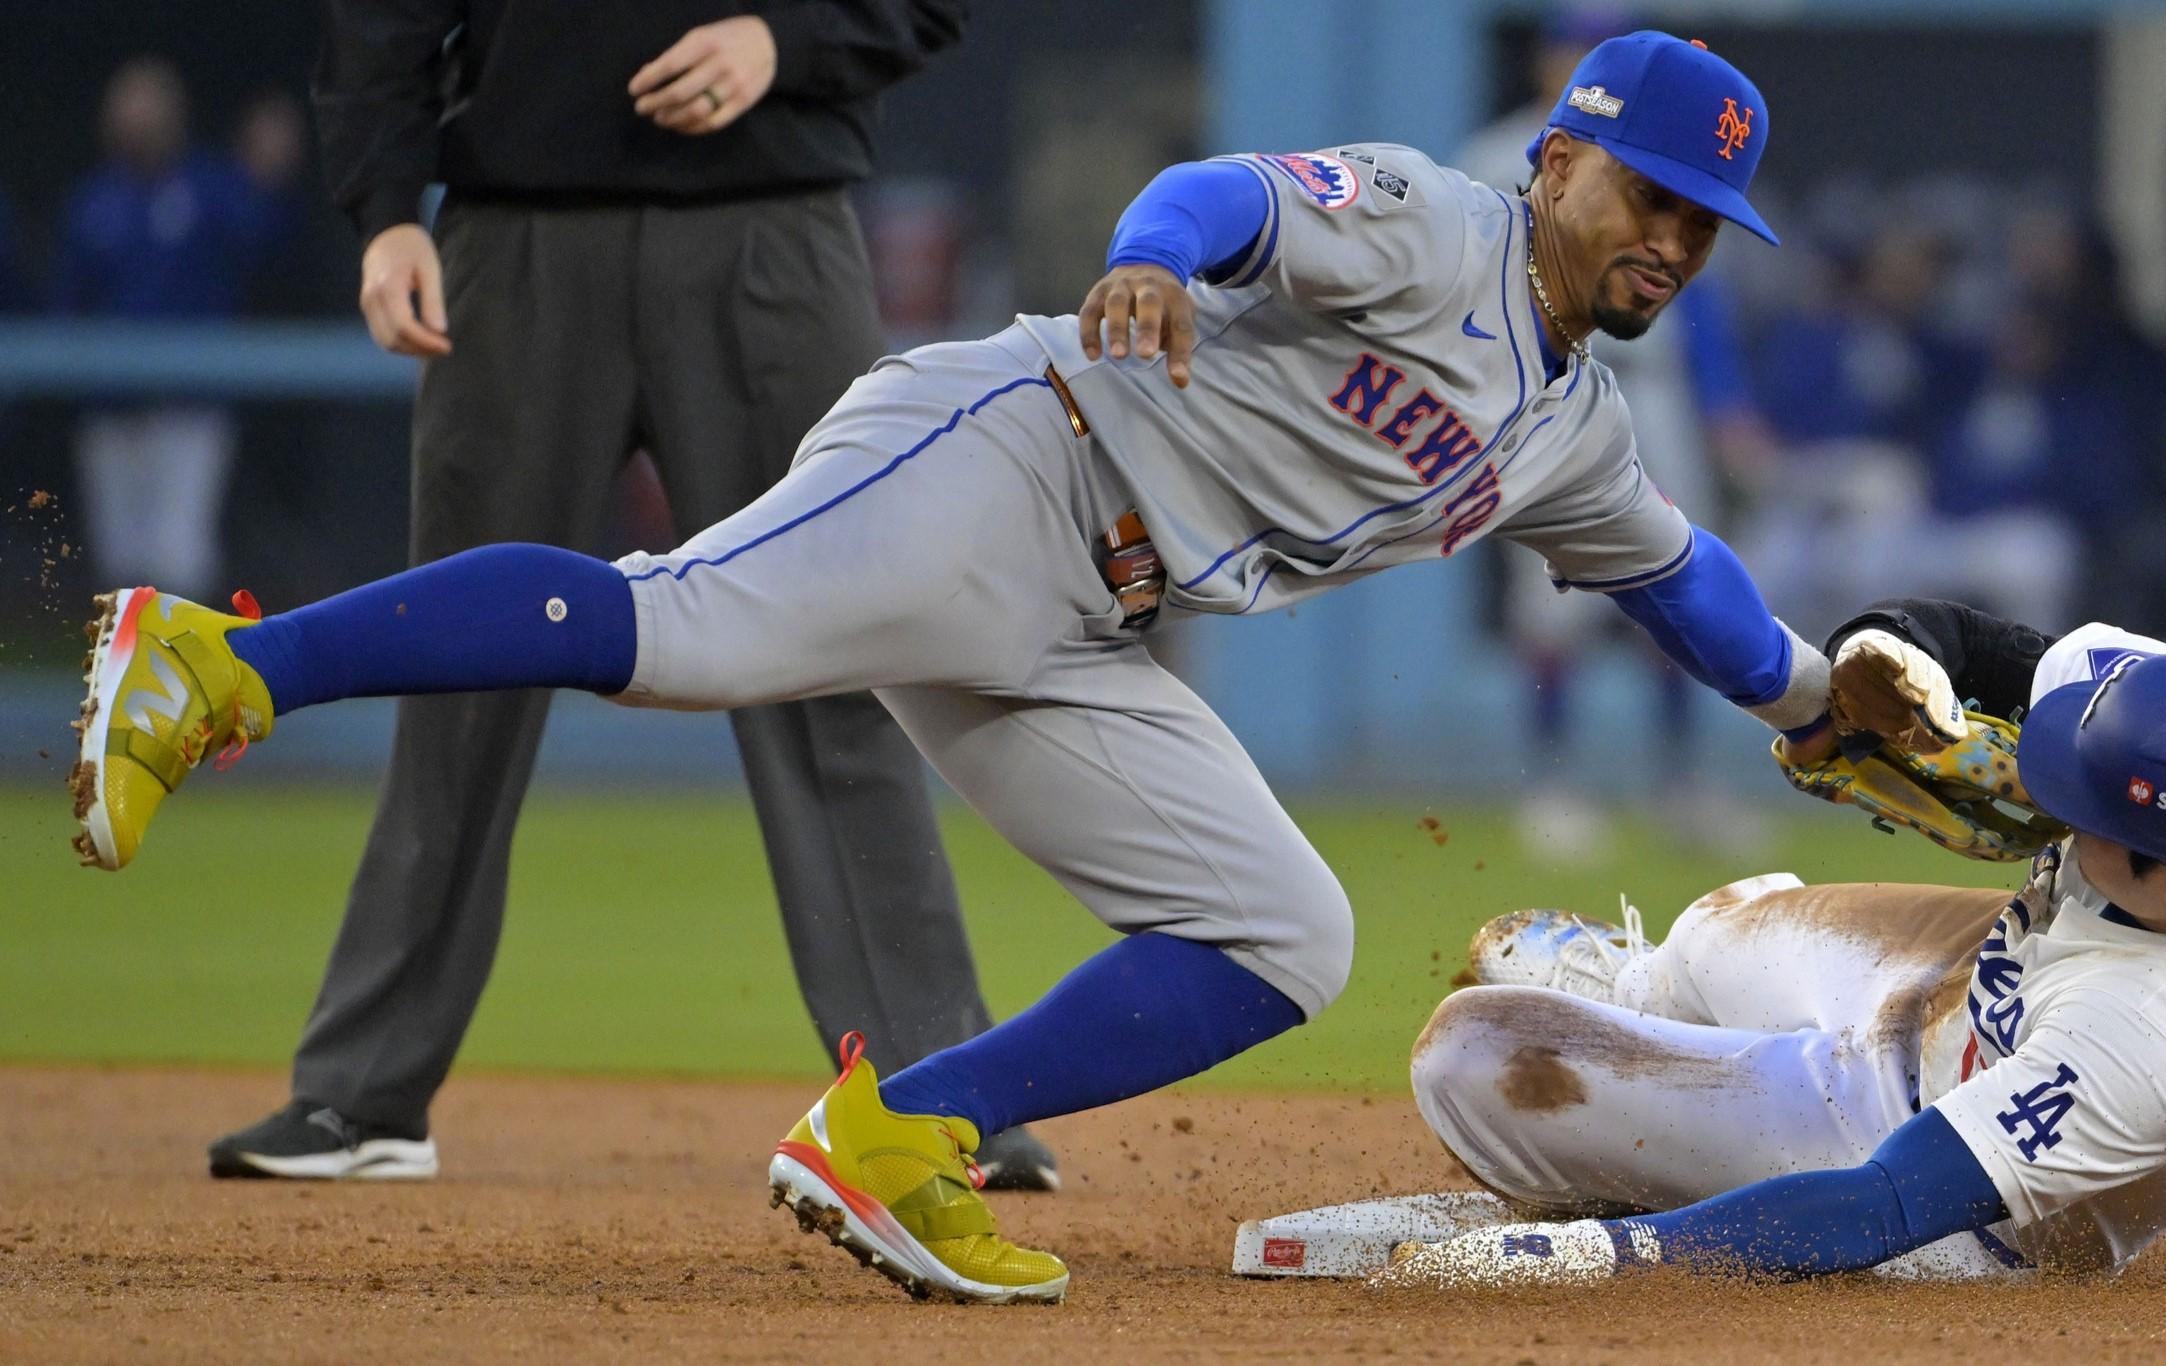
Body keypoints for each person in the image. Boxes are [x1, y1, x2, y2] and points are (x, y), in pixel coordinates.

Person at [73, 33, 1833, 1303]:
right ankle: (216, 667)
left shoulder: (1571, 435)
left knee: (1284, 935)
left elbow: (1689, 591)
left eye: (1702, 222)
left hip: (1085, 629)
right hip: (1014, 455)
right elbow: (1219, 194)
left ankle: (899, 1130)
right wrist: (1145, 261)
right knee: (673, 626)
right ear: (1556, 160)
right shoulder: (1438, 223)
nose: (1669, 242)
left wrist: (1817, 709)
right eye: (1649, 193)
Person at [193, 0, 1060, 1193]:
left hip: (772, 228)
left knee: (842, 669)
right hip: (517, 240)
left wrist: (785, 42)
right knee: (455, 672)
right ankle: (360, 1095)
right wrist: (387, 208)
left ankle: (933, 1096)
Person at [1385, 598, 2166, 1285]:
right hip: (1973, 982)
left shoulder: (2155, 1045)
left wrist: (1611, 1259)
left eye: (2086, 807)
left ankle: (1652, 1141)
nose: (2055, 798)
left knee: (1475, 1053)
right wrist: (1885, 647)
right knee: (1717, 929)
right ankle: (1650, 993)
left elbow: (1877, 1207)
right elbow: (1969, 641)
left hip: (1945, 1180)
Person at [1456, 9, 1776, 861]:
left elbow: (1695, 299)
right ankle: (1552, 785)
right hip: (1539, 385)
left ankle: (1679, 782)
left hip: (1652, 388)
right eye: (1567, 42)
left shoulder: (1670, 157)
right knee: (1548, 608)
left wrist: (1726, 406)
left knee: (1672, 578)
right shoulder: (1498, 154)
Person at [52, 58, 301, 596]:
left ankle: (177, 678)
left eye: (150, 103)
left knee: (178, 555)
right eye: (127, 104)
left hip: (190, 407)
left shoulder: (209, 187)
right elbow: (66, 308)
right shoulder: (95, 202)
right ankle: (123, 680)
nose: (138, 117)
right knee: (119, 560)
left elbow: (263, 244)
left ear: (176, 114)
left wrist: (268, 179)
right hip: (111, 407)